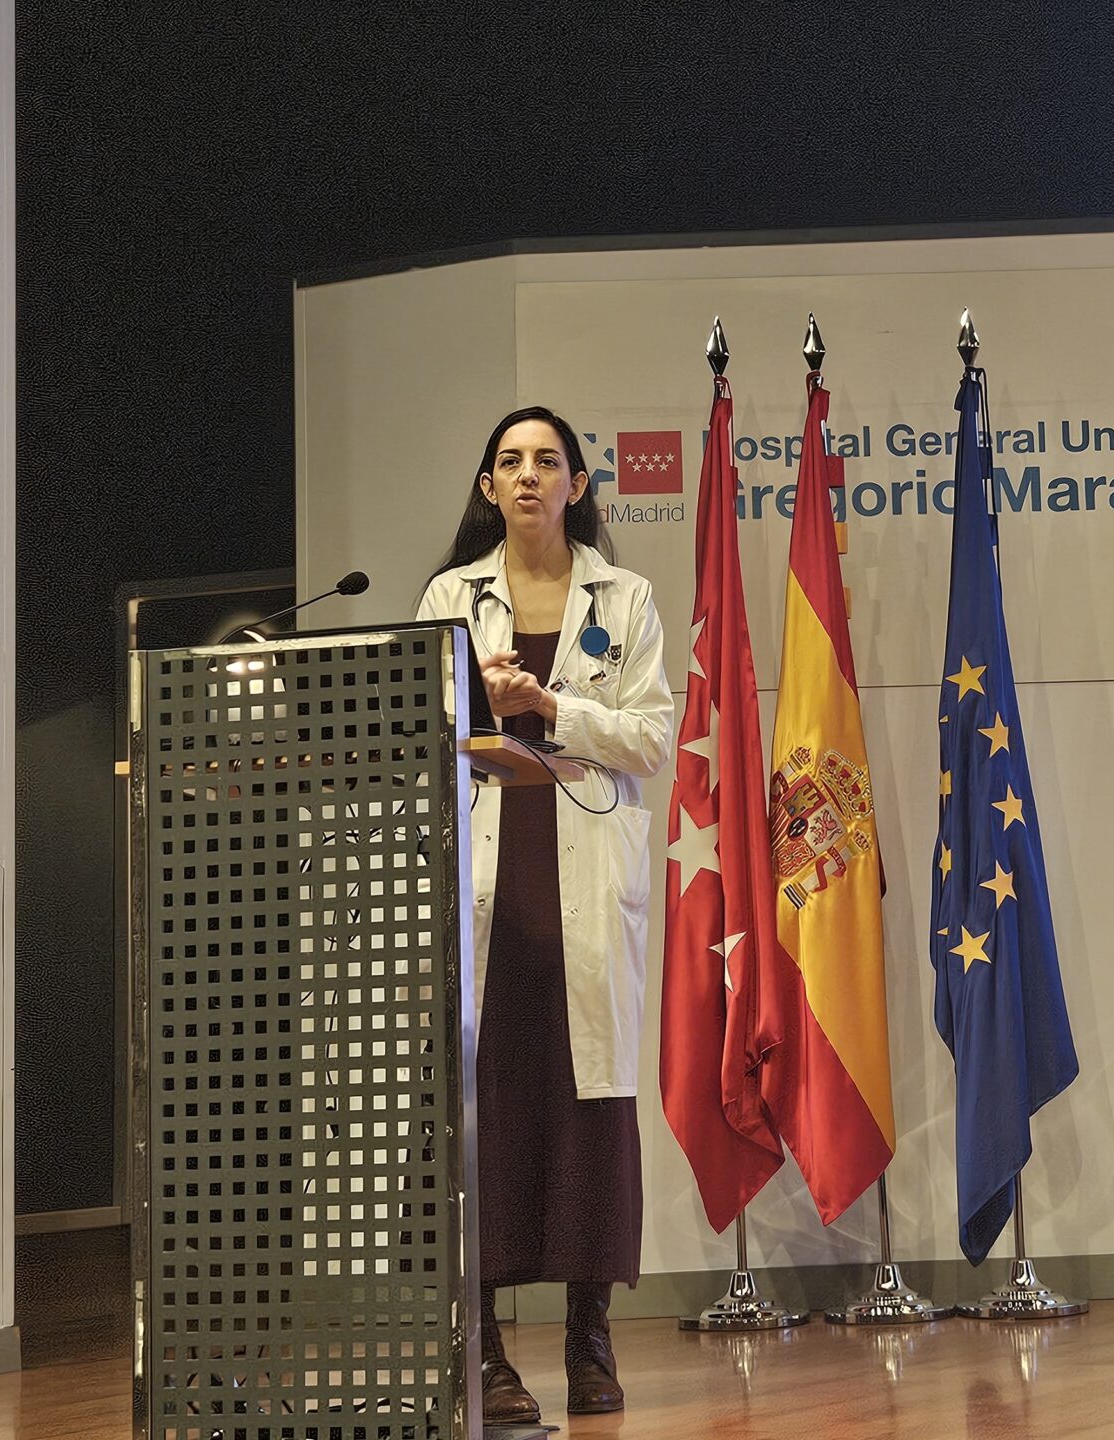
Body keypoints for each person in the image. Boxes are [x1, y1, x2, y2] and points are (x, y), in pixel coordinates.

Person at [414, 405, 673, 1425]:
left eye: (547, 461)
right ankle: (484, 1354)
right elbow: (413, 723)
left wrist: (551, 706)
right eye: (510, 462)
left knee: (585, 1109)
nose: (528, 476)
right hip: (487, 875)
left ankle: (588, 1340)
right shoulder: (451, 596)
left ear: (577, 484)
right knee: (488, 1109)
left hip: (582, 875)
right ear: (488, 487)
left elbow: (651, 738)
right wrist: (476, 700)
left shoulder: (626, 596)